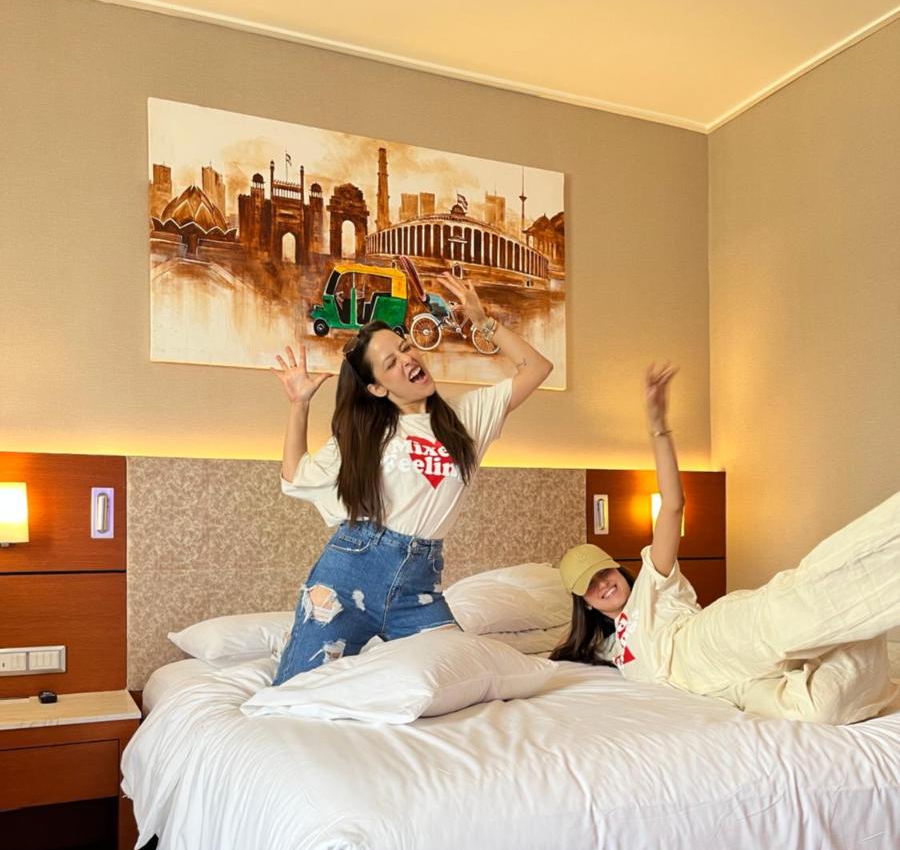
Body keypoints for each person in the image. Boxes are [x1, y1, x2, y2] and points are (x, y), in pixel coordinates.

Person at [553, 364, 899, 725]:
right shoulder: (605, 650)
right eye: (590, 587)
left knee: (797, 610)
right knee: (824, 709)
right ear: (585, 604)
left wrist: (658, 426)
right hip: (724, 691)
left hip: (707, 644)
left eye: (603, 573)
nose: (603, 585)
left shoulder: (652, 582)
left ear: (617, 567)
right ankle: (865, 626)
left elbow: (672, 505)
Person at [271, 273, 553, 684]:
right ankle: (296, 646)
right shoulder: (363, 436)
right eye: (391, 363)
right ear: (378, 388)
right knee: (295, 691)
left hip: (418, 587)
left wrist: (482, 321)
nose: (408, 359)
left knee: (468, 680)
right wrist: (299, 405)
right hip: (348, 575)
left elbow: (537, 368)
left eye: (405, 348)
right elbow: (293, 477)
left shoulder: (467, 418)